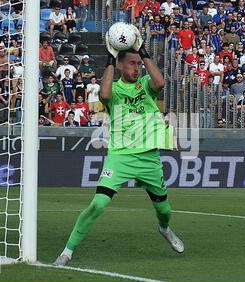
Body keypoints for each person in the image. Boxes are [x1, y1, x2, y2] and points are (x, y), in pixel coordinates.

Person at [53, 26, 184, 266]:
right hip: (120, 157)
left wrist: (143, 51)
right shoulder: (113, 90)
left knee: (165, 211)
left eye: (139, 64)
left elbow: (160, 81)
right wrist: (111, 59)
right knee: (98, 204)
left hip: (148, 158)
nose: (137, 67)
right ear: (121, 66)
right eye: (132, 63)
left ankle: (164, 229)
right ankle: (67, 251)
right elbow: (103, 92)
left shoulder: (145, 85)